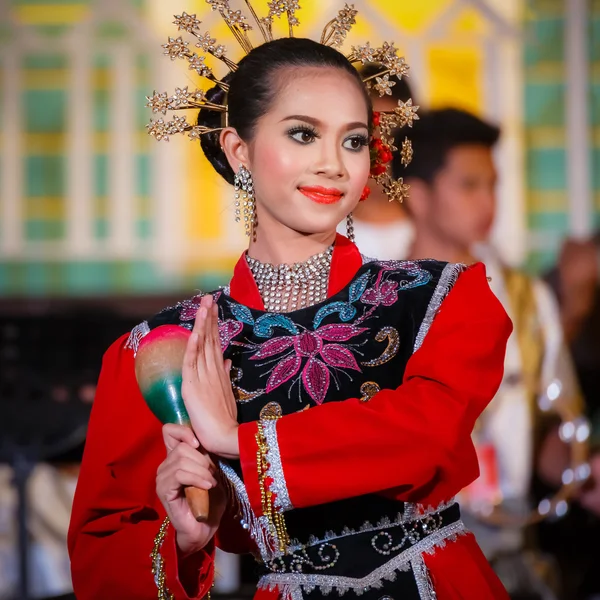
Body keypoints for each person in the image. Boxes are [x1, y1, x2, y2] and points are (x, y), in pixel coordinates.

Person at [68, 6, 513, 599]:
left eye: (353, 140)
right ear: (239, 151)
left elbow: (426, 437)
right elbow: (102, 554)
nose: (333, 162)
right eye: (303, 133)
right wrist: (184, 539)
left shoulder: (441, 298)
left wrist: (236, 440)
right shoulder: (163, 351)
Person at [395, 108, 585, 598]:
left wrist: (579, 470)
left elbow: (550, 428)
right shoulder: (382, 306)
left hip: (510, 546)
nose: (488, 202)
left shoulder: (525, 299)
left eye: (494, 185)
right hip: (407, 554)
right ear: (418, 195)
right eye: (469, 185)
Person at [336, 62, 415, 259]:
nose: (383, 148)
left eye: (393, 135)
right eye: (371, 134)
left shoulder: (436, 233)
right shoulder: (321, 232)